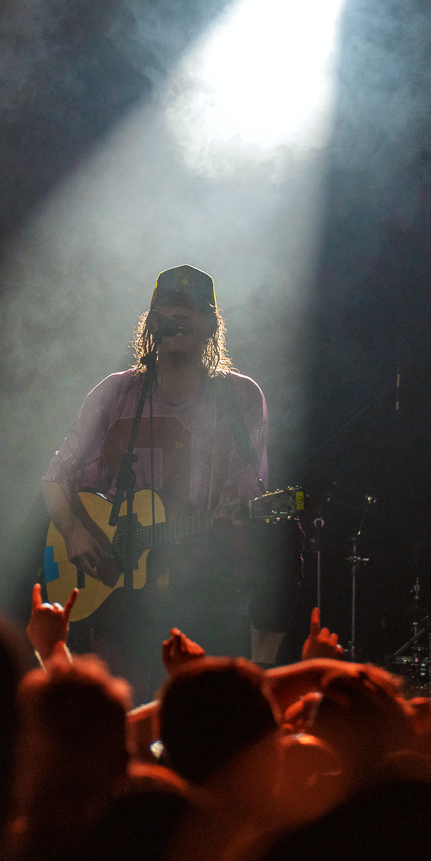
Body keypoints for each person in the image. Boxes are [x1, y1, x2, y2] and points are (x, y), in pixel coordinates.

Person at [42, 265, 272, 699]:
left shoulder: (239, 396)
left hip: (204, 587)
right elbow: (55, 477)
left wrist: (234, 513)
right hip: (115, 594)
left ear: (211, 324)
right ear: (151, 321)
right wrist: (74, 530)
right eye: (169, 304)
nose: (179, 313)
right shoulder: (115, 392)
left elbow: (248, 491)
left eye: (193, 307)